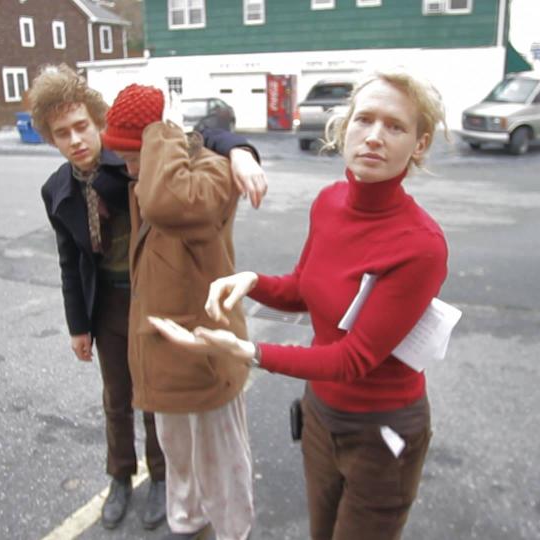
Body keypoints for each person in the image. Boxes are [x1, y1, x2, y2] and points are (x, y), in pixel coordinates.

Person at [151, 71, 449, 540]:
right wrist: (249, 281)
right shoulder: (329, 202)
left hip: (382, 432)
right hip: (320, 415)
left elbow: (354, 358)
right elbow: (302, 288)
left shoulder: (421, 245)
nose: (374, 136)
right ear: (343, 127)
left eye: (394, 126)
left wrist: (249, 353)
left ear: (419, 143)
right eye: (364, 119)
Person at [31, 65, 266, 531]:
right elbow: (70, 264)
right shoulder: (58, 189)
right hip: (107, 304)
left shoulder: (133, 163)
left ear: (100, 124)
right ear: (51, 139)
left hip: (152, 299)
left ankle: (161, 480)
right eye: (63, 133)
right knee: (118, 398)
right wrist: (78, 324)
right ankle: (120, 477)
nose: (77, 140)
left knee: (158, 399)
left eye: (83, 127)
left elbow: (198, 138)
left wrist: (239, 149)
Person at [100, 83, 254, 540]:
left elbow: (166, 204)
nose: (125, 166)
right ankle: (189, 530)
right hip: (165, 361)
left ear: (156, 140)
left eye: (133, 153)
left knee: (223, 474)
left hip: (206, 359)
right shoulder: (149, 173)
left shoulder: (209, 175)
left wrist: (158, 135)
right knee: (181, 474)